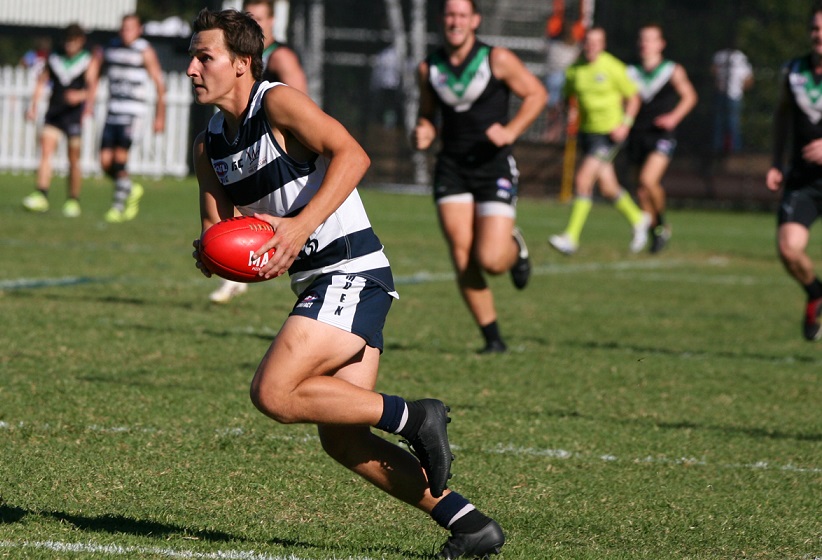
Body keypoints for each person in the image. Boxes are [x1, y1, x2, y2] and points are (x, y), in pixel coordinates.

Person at [187, 8, 505, 559]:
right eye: (191, 58)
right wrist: (212, 254)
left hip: (352, 271)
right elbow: (218, 230)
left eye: (204, 57)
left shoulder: (276, 103)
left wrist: (298, 227)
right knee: (343, 437)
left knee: (273, 393)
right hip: (321, 283)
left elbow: (354, 155)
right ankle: (470, 524)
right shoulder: (209, 144)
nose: (192, 68)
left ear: (241, 63)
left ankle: (415, 416)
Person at [412, 0, 546, 354]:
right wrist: (424, 131)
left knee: (491, 260)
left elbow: (536, 94)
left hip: (493, 166)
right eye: (450, 14)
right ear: (442, 19)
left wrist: (511, 130)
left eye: (462, 15)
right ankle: (493, 339)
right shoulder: (428, 68)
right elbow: (427, 114)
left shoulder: (496, 59)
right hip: (451, 167)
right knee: (461, 254)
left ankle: (514, 248)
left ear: (474, 20)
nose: (455, 21)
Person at [209, 0, 309, 304]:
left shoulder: (280, 56)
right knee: (234, 219)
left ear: (273, 21)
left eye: (261, 18)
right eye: (250, 18)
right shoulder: (209, 138)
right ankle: (235, 273)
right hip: (247, 143)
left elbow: (301, 101)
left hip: (276, 149)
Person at [548, 26, 649, 256]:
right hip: (588, 134)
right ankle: (638, 218)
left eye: (596, 42)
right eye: (588, 41)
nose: (591, 46)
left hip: (609, 134)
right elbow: (566, 97)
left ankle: (571, 237)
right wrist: (565, 116)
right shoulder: (575, 70)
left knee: (583, 180)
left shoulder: (613, 67)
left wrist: (625, 124)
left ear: (603, 45)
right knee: (608, 187)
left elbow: (634, 98)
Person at [766, 3, 822, 342]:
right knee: (788, 249)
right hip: (804, 179)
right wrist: (776, 161)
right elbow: (782, 116)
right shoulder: (793, 71)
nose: (819, 35)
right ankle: (816, 293)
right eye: (815, 28)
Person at [86, 13, 166, 223]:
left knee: (120, 159)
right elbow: (95, 75)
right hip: (112, 111)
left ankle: (117, 207)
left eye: (130, 28)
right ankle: (130, 188)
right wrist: (89, 103)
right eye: (123, 28)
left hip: (133, 114)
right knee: (105, 162)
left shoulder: (144, 50)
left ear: (139, 30)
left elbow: (159, 84)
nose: (126, 32)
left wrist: (160, 116)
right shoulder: (110, 48)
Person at [626, 24, 697, 253]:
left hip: (661, 135)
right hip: (637, 134)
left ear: (661, 44)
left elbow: (689, 96)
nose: (645, 44)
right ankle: (656, 230)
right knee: (640, 191)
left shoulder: (671, 70)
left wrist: (674, 117)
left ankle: (661, 224)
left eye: (650, 39)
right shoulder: (630, 72)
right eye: (642, 39)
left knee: (648, 181)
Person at [21, 24, 93, 218]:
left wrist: (80, 96)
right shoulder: (54, 58)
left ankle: (73, 200)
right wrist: (33, 106)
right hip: (54, 113)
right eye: (67, 41)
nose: (70, 46)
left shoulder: (87, 60)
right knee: (46, 152)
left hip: (74, 115)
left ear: (81, 42)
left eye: (74, 42)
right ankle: (41, 194)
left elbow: (91, 88)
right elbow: (41, 81)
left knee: (73, 159)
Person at [711, 45, 753, 156]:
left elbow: (748, 78)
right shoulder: (720, 56)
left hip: (734, 96)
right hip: (724, 95)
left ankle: (734, 150)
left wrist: (738, 88)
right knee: (721, 122)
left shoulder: (739, 57)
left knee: (732, 123)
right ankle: (719, 149)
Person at [543, 26, 580, 143]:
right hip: (564, 80)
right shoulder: (575, 47)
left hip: (556, 80)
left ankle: (552, 136)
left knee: (554, 112)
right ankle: (559, 136)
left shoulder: (553, 45)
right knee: (563, 111)